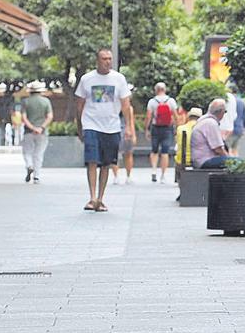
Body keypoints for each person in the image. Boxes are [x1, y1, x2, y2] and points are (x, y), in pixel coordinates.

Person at [76, 48, 134, 212]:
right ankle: (92, 197)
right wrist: (79, 126)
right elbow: (79, 105)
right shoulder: (87, 79)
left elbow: (126, 105)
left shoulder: (119, 79)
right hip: (91, 124)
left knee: (106, 163)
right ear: (97, 60)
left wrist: (129, 126)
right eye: (104, 59)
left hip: (112, 126)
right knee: (92, 161)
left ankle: (100, 199)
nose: (107, 61)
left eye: (109, 58)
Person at [191, 99, 238, 169]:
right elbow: (218, 149)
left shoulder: (204, 121)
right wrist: (229, 160)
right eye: (225, 112)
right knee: (238, 162)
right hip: (205, 160)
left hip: (199, 159)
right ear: (221, 112)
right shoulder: (211, 123)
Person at [145, 82, 178, 183]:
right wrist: (176, 128)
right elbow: (176, 116)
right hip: (167, 128)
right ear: (165, 89)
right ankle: (163, 176)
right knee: (165, 152)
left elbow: (148, 116)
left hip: (155, 128)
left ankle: (154, 170)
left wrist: (147, 129)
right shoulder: (171, 101)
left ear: (156, 90)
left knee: (154, 151)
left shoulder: (152, 101)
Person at [21, 80, 53, 184]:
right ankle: (36, 176)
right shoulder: (46, 101)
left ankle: (29, 165)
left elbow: (24, 118)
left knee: (27, 152)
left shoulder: (26, 101)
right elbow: (49, 117)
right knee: (39, 154)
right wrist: (41, 128)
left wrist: (32, 128)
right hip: (42, 133)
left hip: (28, 132)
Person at [111, 106, 136, 185]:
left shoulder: (126, 108)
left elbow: (131, 122)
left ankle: (119, 177)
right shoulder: (127, 107)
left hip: (120, 132)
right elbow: (131, 122)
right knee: (126, 154)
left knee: (122, 154)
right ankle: (123, 176)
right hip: (122, 131)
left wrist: (133, 134)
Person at [225, 84, 245, 156]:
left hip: (230, 129)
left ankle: (231, 165)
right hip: (239, 128)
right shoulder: (241, 102)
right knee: (235, 149)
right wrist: (243, 128)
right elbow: (243, 116)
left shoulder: (229, 101)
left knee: (228, 149)